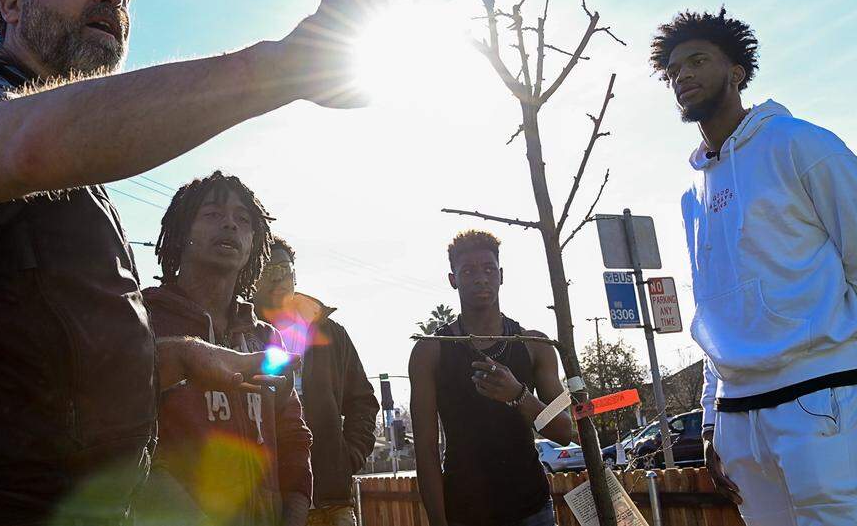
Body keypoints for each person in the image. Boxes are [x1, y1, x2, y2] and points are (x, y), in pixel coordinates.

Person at [0, 0, 446, 525]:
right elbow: (23, 145)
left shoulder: (82, 184)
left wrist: (168, 359)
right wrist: (282, 67)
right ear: (11, 2)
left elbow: (32, 368)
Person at [650, 9, 857, 526]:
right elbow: (716, 310)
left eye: (699, 60)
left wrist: (817, 333)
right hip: (737, 417)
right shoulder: (693, 193)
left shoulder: (799, 143)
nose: (683, 75)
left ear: (737, 71)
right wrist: (711, 420)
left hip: (821, 399)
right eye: (674, 69)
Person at [135, 172, 311, 526]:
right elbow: (117, 443)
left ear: (254, 242)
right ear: (183, 232)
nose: (230, 225)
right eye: (212, 214)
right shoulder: (141, 320)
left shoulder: (266, 339)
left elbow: (294, 437)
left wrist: (293, 513)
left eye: (242, 219)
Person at [410, 230, 571, 526]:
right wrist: (438, 521)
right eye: (468, 271)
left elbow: (564, 430)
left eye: (488, 269)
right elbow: (425, 448)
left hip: (531, 508)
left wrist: (518, 395)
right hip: (465, 509)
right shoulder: (431, 351)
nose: (480, 278)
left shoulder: (536, 346)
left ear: (501, 275)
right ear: (453, 279)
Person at [254, 237, 379, 526]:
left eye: (284, 268)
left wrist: (348, 458)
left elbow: (362, 401)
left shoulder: (332, 335)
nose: (278, 277)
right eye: (267, 270)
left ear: (295, 273)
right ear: (252, 275)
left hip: (331, 502)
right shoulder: (240, 333)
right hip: (268, 503)